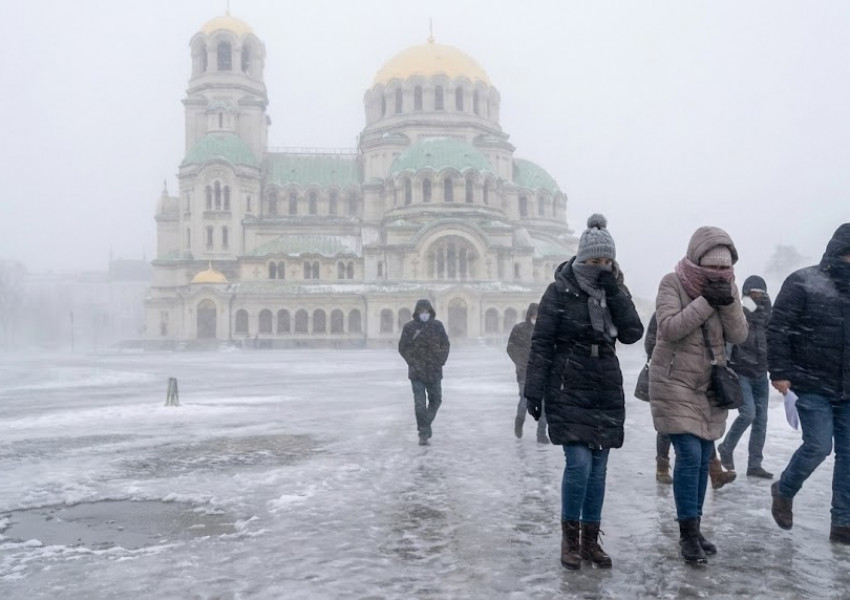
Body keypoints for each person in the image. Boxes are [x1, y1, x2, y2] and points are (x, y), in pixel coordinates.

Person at [525, 214, 644, 570]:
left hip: (604, 382)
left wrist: (614, 291)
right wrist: (534, 389)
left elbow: (632, 333)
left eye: (606, 261)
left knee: (599, 467)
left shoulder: (615, 290)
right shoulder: (560, 290)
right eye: (594, 261)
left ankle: (591, 541)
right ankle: (570, 540)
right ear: (581, 258)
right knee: (578, 463)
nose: (600, 267)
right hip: (568, 380)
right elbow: (542, 342)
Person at [649, 226, 748, 564]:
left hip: (710, 385)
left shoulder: (728, 287)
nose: (719, 273)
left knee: (705, 452)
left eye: (725, 268)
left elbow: (739, 334)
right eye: (713, 267)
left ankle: (696, 527)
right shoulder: (672, 283)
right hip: (674, 381)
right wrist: (706, 301)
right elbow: (669, 328)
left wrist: (728, 301)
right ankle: (687, 535)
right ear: (697, 262)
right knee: (690, 454)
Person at [767, 223, 850, 544]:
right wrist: (779, 372)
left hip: (847, 387)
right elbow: (779, 328)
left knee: (849, 455)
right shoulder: (803, 281)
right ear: (837, 251)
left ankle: (842, 522)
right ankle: (784, 490)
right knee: (818, 445)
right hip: (811, 383)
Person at [717, 275, 774, 479]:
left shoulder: (769, 313)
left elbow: (773, 340)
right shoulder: (740, 311)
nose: (757, 295)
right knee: (748, 413)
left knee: (761, 420)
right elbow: (730, 338)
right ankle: (726, 448)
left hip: (761, 373)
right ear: (746, 292)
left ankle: (755, 464)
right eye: (753, 292)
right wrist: (726, 364)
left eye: (761, 292)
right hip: (741, 371)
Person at [398, 298, 450, 446]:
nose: (424, 314)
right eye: (421, 311)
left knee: (436, 400)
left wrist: (440, 360)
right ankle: (423, 434)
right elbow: (403, 347)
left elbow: (445, 344)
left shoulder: (437, 326)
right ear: (417, 312)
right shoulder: (410, 327)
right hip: (417, 373)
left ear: (430, 312)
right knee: (420, 405)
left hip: (434, 371)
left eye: (426, 311)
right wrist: (412, 361)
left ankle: (424, 426)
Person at [507, 302, 549, 443]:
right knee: (525, 400)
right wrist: (520, 363)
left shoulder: (546, 330)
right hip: (524, 372)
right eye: (535, 314)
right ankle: (519, 422)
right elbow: (511, 347)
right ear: (530, 314)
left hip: (543, 373)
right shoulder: (520, 329)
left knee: (544, 404)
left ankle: (541, 434)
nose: (537, 317)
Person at [643, 313, 673, 484]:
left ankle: (713, 467)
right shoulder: (662, 313)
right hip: (665, 377)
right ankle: (662, 466)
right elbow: (650, 344)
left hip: (689, 376)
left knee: (699, 422)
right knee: (665, 424)